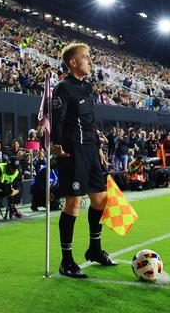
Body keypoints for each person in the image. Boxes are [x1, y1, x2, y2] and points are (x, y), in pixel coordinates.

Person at [50, 43, 115, 279]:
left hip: (90, 149)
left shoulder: (87, 88)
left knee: (101, 200)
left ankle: (94, 250)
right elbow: (56, 120)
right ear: (73, 63)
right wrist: (57, 146)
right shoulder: (62, 88)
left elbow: (90, 123)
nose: (90, 61)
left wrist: (98, 148)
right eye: (85, 57)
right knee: (73, 204)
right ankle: (66, 260)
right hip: (72, 151)